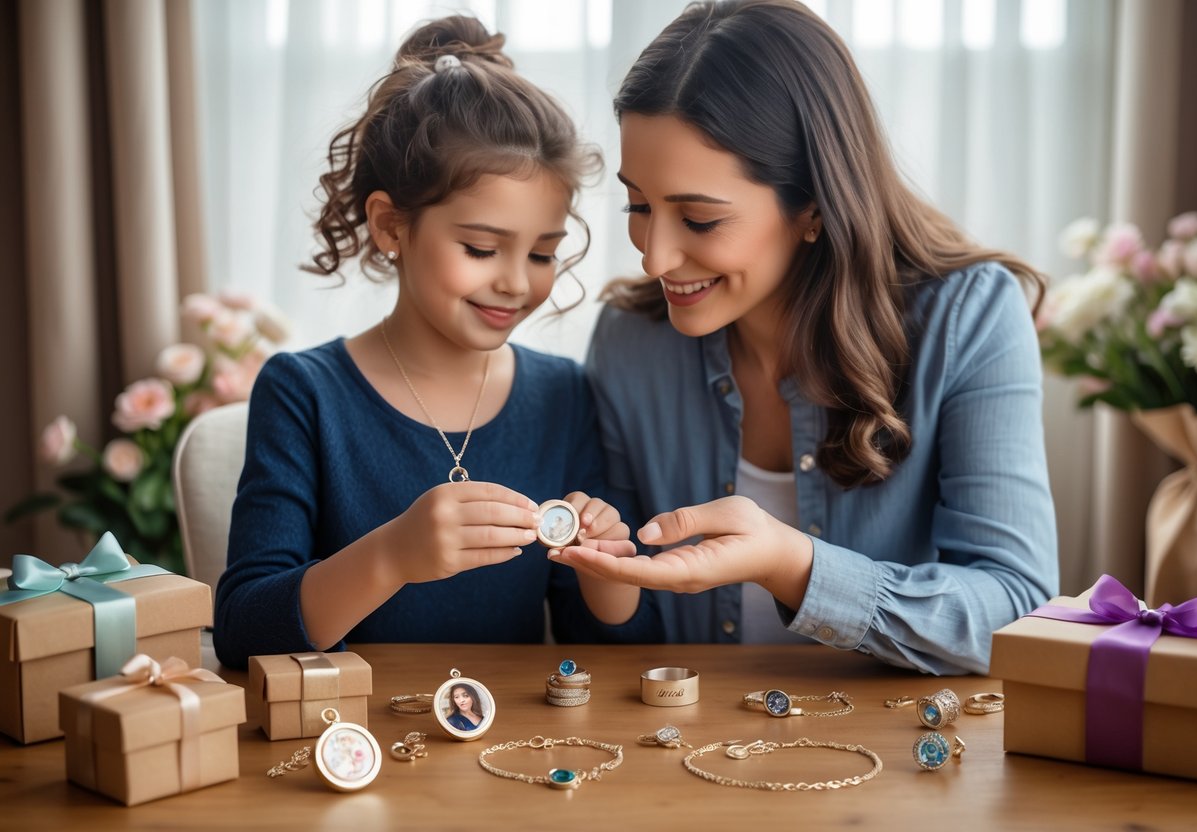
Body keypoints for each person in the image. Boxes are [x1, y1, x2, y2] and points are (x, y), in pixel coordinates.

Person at [550, 0, 1058, 675]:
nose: (654, 257)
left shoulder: (965, 316)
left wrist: (792, 565)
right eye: (638, 206)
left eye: (698, 219)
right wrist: (606, 572)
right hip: (681, 757)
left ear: (812, 207)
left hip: (904, 759)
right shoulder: (630, 341)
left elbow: (1014, 608)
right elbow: (619, 642)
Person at [213, 16, 656, 669]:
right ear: (391, 226)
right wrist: (392, 555)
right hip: (349, 749)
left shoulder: (562, 395)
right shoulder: (304, 392)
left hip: (509, 750)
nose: (513, 282)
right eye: (480, 248)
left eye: (541, 253)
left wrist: (606, 574)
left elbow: (608, 650)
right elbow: (243, 632)